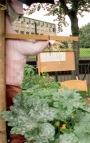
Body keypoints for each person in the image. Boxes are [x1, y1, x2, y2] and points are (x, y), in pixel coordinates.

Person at [5, 11, 55, 143]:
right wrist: (47, 40)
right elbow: (32, 49)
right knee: (20, 118)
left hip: (7, 84)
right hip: (10, 85)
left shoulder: (7, 33)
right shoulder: (13, 39)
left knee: (10, 118)